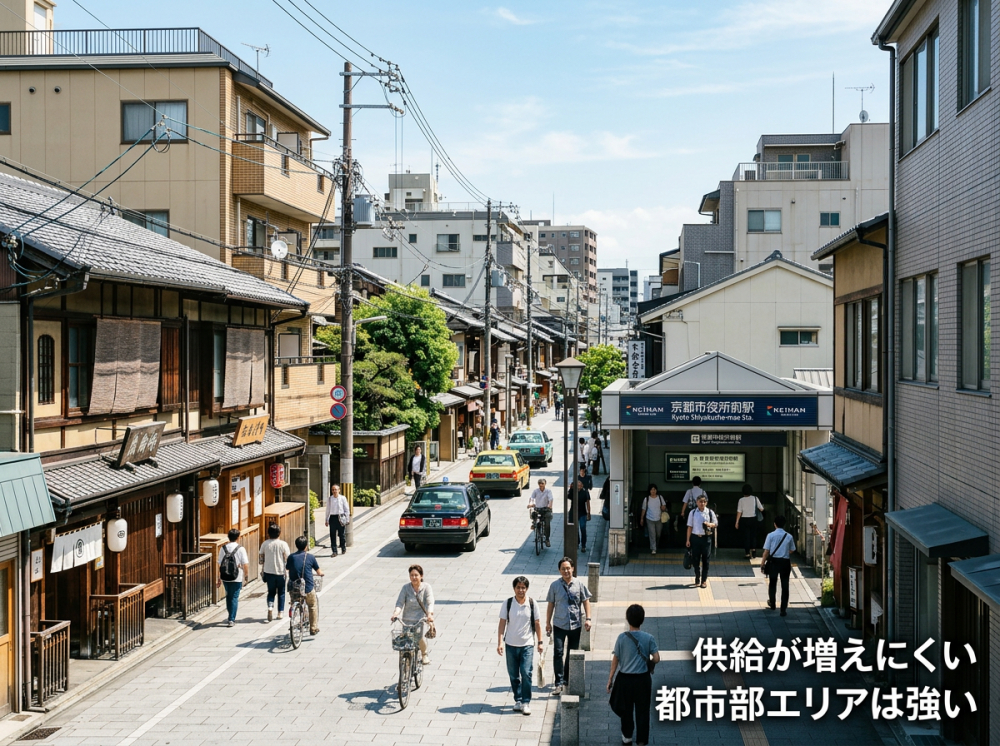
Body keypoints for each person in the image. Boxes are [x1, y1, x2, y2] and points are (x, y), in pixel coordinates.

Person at [607, 604, 660, 746]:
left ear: (627, 619)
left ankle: (627, 737)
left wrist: (610, 678)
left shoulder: (621, 638)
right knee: (643, 711)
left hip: (625, 679)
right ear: (642, 619)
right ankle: (642, 740)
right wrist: (648, 659)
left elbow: (615, 659)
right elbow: (656, 658)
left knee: (626, 710)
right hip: (642, 679)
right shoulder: (649, 638)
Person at [497, 576, 544, 716]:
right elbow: (502, 624)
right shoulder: (508, 603)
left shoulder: (532, 603)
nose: (521, 590)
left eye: (523, 587)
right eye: (518, 587)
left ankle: (526, 702)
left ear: (527, 589)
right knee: (513, 675)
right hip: (510, 644)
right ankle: (517, 699)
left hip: (527, 644)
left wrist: (540, 642)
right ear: (514, 588)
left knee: (526, 673)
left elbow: (537, 624)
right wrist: (500, 642)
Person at [545, 557, 592, 695]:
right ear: (559, 570)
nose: (566, 571)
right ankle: (558, 682)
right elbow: (551, 604)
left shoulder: (579, 584)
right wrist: (547, 623)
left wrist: (588, 618)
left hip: (575, 624)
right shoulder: (554, 586)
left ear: (573, 568)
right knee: (558, 652)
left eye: (568, 568)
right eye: (563, 569)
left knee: (571, 654)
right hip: (559, 624)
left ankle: (566, 679)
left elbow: (586, 601)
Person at [392, 564, 435, 665]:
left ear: (421, 576)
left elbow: (430, 602)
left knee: (419, 638)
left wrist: (430, 614)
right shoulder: (406, 588)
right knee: (406, 640)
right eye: (412, 575)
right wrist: (396, 613)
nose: (414, 577)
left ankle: (424, 654)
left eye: (416, 575)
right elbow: (400, 603)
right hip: (407, 619)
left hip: (420, 619)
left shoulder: (426, 587)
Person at [286, 535, 324, 635]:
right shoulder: (310, 557)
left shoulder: (291, 557)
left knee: (295, 601)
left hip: (294, 588)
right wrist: (321, 574)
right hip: (307, 588)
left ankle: (294, 615)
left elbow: (288, 568)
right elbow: (318, 571)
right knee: (312, 605)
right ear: (306, 546)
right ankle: (313, 628)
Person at [761, 514, 796, 616]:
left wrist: (762, 562)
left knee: (772, 582)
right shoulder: (789, 536)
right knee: (785, 585)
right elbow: (792, 550)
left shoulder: (770, 535)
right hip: (785, 562)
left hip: (773, 562)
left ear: (774, 524)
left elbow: (766, 551)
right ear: (784, 524)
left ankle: (772, 603)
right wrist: (785, 551)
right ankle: (783, 609)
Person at [217, 528, 250, 627]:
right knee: (234, 597)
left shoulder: (223, 548)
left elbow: (219, 563)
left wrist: (218, 577)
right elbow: (245, 564)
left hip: (225, 576)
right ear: (238, 537)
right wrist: (246, 576)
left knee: (229, 596)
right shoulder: (240, 549)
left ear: (228, 537)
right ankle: (231, 619)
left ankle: (230, 615)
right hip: (237, 576)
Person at [258, 523, 290, 622]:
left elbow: (260, 559)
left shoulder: (265, 544)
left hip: (268, 571)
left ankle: (270, 607)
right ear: (279, 533)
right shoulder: (283, 544)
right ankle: (280, 612)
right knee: (281, 592)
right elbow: (287, 557)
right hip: (280, 571)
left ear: (268, 533)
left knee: (271, 592)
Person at [686, 495, 718, 588]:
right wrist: (688, 540)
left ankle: (704, 580)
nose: (702, 504)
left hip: (706, 538)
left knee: (706, 560)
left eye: (704, 502)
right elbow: (689, 527)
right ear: (697, 502)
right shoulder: (692, 513)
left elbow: (715, 524)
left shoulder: (710, 512)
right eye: (700, 502)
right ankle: (697, 576)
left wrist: (709, 524)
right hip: (695, 538)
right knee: (695, 559)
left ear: (706, 503)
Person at [734, 483, 764, 559]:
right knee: (753, 535)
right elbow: (761, 509)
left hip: (744, 520)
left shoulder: (741, 500)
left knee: (746, 536)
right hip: (753, 519)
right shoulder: (755, 498)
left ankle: (747, 553)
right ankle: (754, 551)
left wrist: (737, 522)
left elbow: (739, 511)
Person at [639, 485, 667, 555]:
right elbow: (644, 509)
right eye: (651, 490)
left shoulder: (660, 498)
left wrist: (663, 508)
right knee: (652, 534)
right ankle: (653, 548)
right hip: (649, 519)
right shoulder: (647, 499)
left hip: (659, 519)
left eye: (654, 489)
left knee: (658, 534)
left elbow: (664, 507)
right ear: (649, 491)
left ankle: (656, 546)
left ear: (656, 490)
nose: (653, 491)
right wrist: (642, 518)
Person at [325, 483, 350, 557]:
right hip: (332, 518)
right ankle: (334, 551)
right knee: (332, 535)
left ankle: (343, 547)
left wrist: (347, 518)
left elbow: (346, 509)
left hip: (341, 517)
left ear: (339, 490)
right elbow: (327, 510)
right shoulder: (330, 499)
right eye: (333, 490)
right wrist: (326, 520)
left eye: (335, 489)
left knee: (341, 534)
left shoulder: (342, 498)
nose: (334, 491)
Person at [528, 478, 554, 547]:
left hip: (546, 509)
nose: (541, 485)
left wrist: (550, 505)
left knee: (547, 523)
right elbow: (532, 498)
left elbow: (550, 499)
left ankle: (547, 539)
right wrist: (531, 504)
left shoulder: (548, 491)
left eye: (542, 484)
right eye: (540, 484)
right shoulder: (535, 491)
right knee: (533, 514)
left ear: (545, 484)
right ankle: (534, 524)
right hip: (538, 508)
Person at [575, 480, 592, 552]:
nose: (579, 487)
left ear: (582, 486)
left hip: (583, 513)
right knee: (575, 529)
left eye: (580, 485)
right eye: (577, 485)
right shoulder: (574, 492)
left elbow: (588, 503)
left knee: (582, 528)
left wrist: (589, 512)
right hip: (575, 513)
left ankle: (583, 545)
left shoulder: (585, 492)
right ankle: (577, 542)